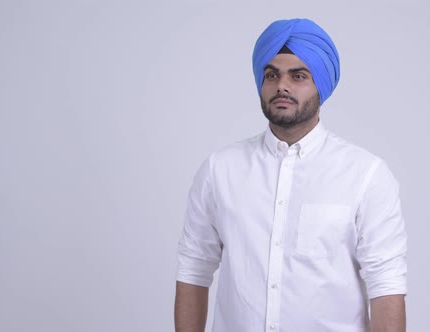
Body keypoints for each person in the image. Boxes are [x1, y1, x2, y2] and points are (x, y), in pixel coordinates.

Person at [174, 18, 407, 332]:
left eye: (298, 75)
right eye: (272, 75)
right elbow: (193, 268)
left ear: (320, 84)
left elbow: (386, 284)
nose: (282, 85)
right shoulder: (220, 169)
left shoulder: (365, 174)